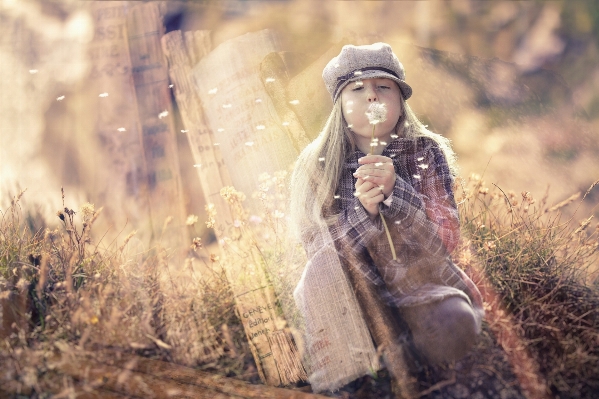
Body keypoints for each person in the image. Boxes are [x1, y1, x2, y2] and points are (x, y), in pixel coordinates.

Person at [289, 42, 484, 382]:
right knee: (323, 273)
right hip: (355, 291)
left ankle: (396, 358)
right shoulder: (318, 163)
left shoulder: (425, 150)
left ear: (400, 100)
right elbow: (317, 252)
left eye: (383, 87)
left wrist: (399, 193)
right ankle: (364, 365)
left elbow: (447, 238)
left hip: (421, 283)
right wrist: (363, 213)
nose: (372, 97)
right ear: (339, 104)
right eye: (357, 89)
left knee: (455, 323)